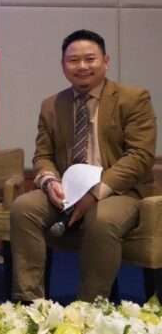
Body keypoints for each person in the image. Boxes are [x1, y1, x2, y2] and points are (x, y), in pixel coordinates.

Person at [10, 29, 157, 302]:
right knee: (23, 208)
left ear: (106, 61)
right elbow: (42, 155)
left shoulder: (133, 99)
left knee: (101, 219)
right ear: (63, 65)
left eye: (90, 59)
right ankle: (29, 301)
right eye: (73, 60)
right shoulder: (52, 105)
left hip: (119, 191)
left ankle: (90, 306)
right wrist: (49, 182)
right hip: (66, 191)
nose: (82, 66)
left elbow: (139, 156)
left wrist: (95, 192)